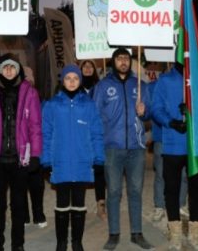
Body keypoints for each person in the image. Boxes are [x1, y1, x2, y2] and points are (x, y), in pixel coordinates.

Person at [0, 53, 42, 251]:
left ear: (18, 69)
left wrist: (35, 154)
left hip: (20, 158)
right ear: (0, 70)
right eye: (5, 67)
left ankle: (18, 244)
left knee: (19, 204)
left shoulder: (29, 92)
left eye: (13, 67)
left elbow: (35, 125)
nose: (9, 70)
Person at [93, 47, 153, 250]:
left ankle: (137, 233)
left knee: (135, 191)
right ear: (113, 62)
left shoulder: (141, 85)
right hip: (112, 148)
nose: (123, 61)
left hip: (136, 147)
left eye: (126, 58)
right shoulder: (102, 86)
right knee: (114, 192)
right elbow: (95, 116)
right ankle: (114, 234)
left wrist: (144, 113)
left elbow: (149, 115)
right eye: (119, 58)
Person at [41, 64, 104, 251]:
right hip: (60, 162)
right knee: (61, 204)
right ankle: (61, 242)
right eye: (68, 78)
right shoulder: (52, 105)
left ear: (80, 81)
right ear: (62, 81)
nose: (71, 82)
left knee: (79, 204)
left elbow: (97, 133)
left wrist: (98, 159)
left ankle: (77, 241)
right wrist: (45, 160)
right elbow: (46, 133)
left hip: (82, 162)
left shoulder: (89, 105)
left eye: (75, 79)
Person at [152, 62, 198, 251]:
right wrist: (171, 122)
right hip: (173, 145)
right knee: (172, 189)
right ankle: (175, 234)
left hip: (195, 145)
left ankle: (195, 234)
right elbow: (156, 108)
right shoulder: (165, 80)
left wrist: (194, 112)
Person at [79, 59, 107, 219]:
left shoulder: (101, 87)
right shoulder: (74, 86)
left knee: (99, 169)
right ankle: (79, 205)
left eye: (91, 66)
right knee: (82, 169)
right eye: (85, 66)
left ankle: (100, 204)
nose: (88, 68)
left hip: (98, 133)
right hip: (81, 134)